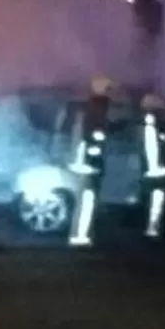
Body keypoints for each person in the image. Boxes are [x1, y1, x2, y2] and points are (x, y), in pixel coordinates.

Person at [67, 75, 114, 247]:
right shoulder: (96, 109)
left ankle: (81, 235)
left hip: (89, 164)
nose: (110, 94)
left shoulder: (92, 108)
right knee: (87, 200)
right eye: (108, 89)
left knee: (87, 200)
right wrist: (88, 160)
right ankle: (80, 236)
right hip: (89, 165)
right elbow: (91, 137)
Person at [139, 93, 165, 239]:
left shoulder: (150, 126)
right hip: (154, 171)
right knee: (156, 197)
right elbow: (152, 148)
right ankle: (152, 227)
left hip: (151, 170)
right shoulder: (151, 127)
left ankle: (152, 226)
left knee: (155, 197)